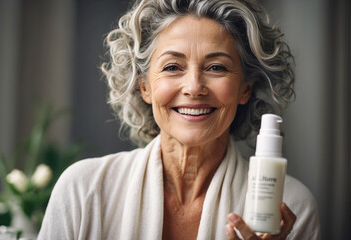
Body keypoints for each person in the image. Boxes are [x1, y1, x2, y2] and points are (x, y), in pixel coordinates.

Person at [38, 0, 321, 239]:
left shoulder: (291, 208)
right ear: (144, 86)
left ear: (245, 88)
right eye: (172, 67)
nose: (194, 87)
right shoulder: (83, 190)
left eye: (216, 67)